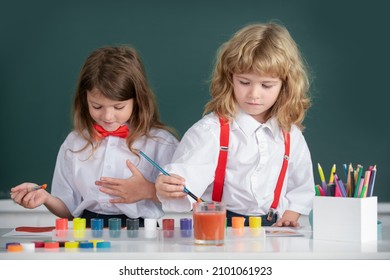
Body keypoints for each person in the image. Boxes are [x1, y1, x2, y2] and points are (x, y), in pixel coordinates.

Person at [156, 22, 315, 227]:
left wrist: (290, 217)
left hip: (273, 232)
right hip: (221, 228)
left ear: (286, 85)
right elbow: (183, 180)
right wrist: (168, 187)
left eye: (266, 85)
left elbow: (301, 188)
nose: (254, 94)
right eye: (244, 82)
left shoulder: (289, 134)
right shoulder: (211, 132)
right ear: (229, 78)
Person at [10, 46, 178, 227]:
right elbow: (69, 210)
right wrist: (45, 198)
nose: (107, 116)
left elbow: (186, 197)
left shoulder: (161, 143)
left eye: (118, 107)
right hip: (87, 229)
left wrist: (148, 190)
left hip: (143, 231)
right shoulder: (74, 143)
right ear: (85, 99)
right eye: (97, 106)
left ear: (137, 100)